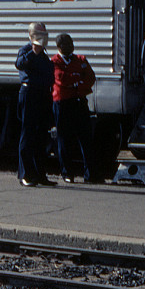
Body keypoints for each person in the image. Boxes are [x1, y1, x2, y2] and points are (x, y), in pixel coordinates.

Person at [51, 33, 96, 183]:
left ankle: (91, 174)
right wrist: (78, 77)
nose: (70, 47)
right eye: (66, 45)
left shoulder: (80, 59)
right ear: (59, 47)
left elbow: (90, 78)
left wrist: (75, 83)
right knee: (64, 139)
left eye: (71, 44)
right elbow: (61, 79)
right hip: (63, 103)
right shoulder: (54, 62)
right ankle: (67, 173)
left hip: (79, 102)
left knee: (86, 138)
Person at [15, 22, 55, 187]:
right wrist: (33, 51)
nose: (43, 38)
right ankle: (26, 174)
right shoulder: (26, 50)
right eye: (39, 34)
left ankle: (40, 174)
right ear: (31, 36)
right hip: (30, 93)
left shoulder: (44, 54)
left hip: (43, 94)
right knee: (28, 133)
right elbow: (19, 64)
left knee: (41, 136)